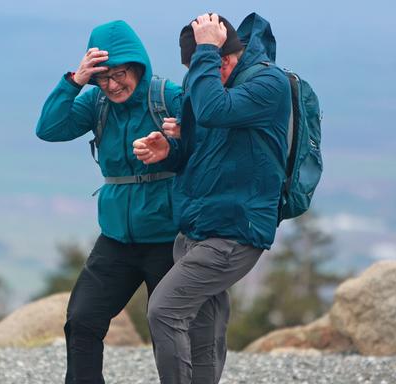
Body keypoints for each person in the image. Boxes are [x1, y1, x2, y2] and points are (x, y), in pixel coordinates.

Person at [132, 13, 292, 384]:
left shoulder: (269, 82)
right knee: (202, 334)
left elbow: (212, 110)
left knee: (164, 310)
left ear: (223, 56)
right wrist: (170, 152)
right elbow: (202, 149)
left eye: (205, 63)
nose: (197, 73)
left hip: (234, 232)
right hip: (198, 230)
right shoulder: (209, 81)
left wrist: (205, 48)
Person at [35, 20, 183, 384]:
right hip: (116, 238)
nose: (113, 85)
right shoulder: (96, 101)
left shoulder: (168, 97)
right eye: (104, 77)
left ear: (138, 67)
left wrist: (172, 148)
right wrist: (75, 81)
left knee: (170, 331)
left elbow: (206, 148)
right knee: (82, 320)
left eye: (120, 74)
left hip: (170, 237)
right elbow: (49, 129)